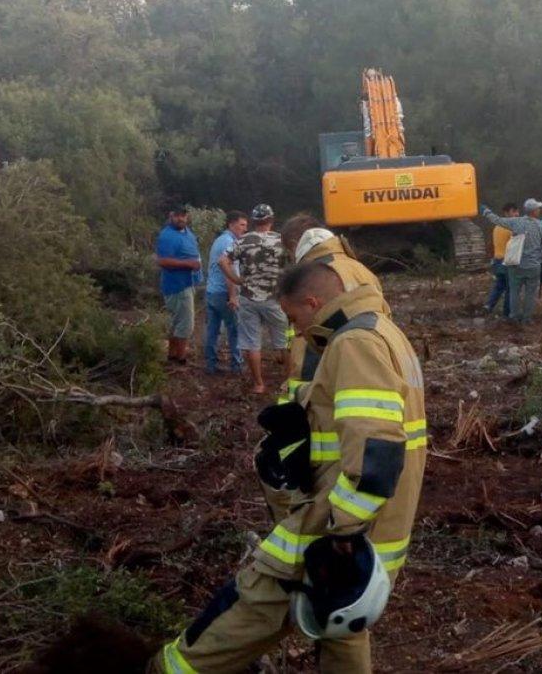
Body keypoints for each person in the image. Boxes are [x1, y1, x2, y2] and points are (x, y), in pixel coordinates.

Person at [155, 261, 426, 673]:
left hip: (338, 523)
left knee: (260, 597)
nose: (296, 331)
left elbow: (375, 449)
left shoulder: (354, 343)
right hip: (377, 525)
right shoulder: (384, 331)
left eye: (295, 318)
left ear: (314, 302)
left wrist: (343, 529)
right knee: (340, 623)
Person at [279, 215, 389, 405]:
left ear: (294, 244)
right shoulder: (361, 269)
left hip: (320, 371)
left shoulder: (315, 274)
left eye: (290, 253)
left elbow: (312, 337)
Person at [220, 204, 290, 394]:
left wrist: (236, 279)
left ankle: (259, 384)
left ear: (253, 221)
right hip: (275, 299)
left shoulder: (242, 241)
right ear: (271, 220)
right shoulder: (281, 241)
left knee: (252, 343)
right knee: (285, 341)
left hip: (249, 298)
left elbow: (222, 260)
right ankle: (290, 381)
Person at [480, 199, 542, 325]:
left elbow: (497, 220)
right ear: (534, 211)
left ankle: (513, 316)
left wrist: (486, 211)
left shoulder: (516, 222)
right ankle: (527, 318)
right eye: (538, 208)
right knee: (530, 293)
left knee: (514, 291)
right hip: (533, 266)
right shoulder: (541, 226)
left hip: (516, 264)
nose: (540, 210)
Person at [155, 206, 201, 365]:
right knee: (185, 324)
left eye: (183, 216)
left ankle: (172, 356)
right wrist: (187, 263)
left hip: (189, 283)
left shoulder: (187, 232)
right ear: (171, 215)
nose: (181, 219)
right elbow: (162, 261)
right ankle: (181, 359)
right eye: (177, 216)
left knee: (177, 321)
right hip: (177, 285)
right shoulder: (167, 236)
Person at [203, 211, 248, 375]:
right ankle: (237, 366)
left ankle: (210, 365)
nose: (245, 229)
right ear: (231, 224)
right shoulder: (230, 243)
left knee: (212, 330)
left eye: (246, 225)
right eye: (242, 225)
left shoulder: (219, 240)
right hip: (223, 293)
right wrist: (233, 296)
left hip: (211, 292)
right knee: (234, 330)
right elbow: (228, 272)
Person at [483, 202, 519, 318]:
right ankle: (507, 313)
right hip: (507, 261)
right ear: (507, 213)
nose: (517, 214)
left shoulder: (497, 227)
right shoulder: (510, 227)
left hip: (497, 261)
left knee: (499, 285)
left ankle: (488, 305)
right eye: (514, 211)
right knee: (510, 288)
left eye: (517, 211)